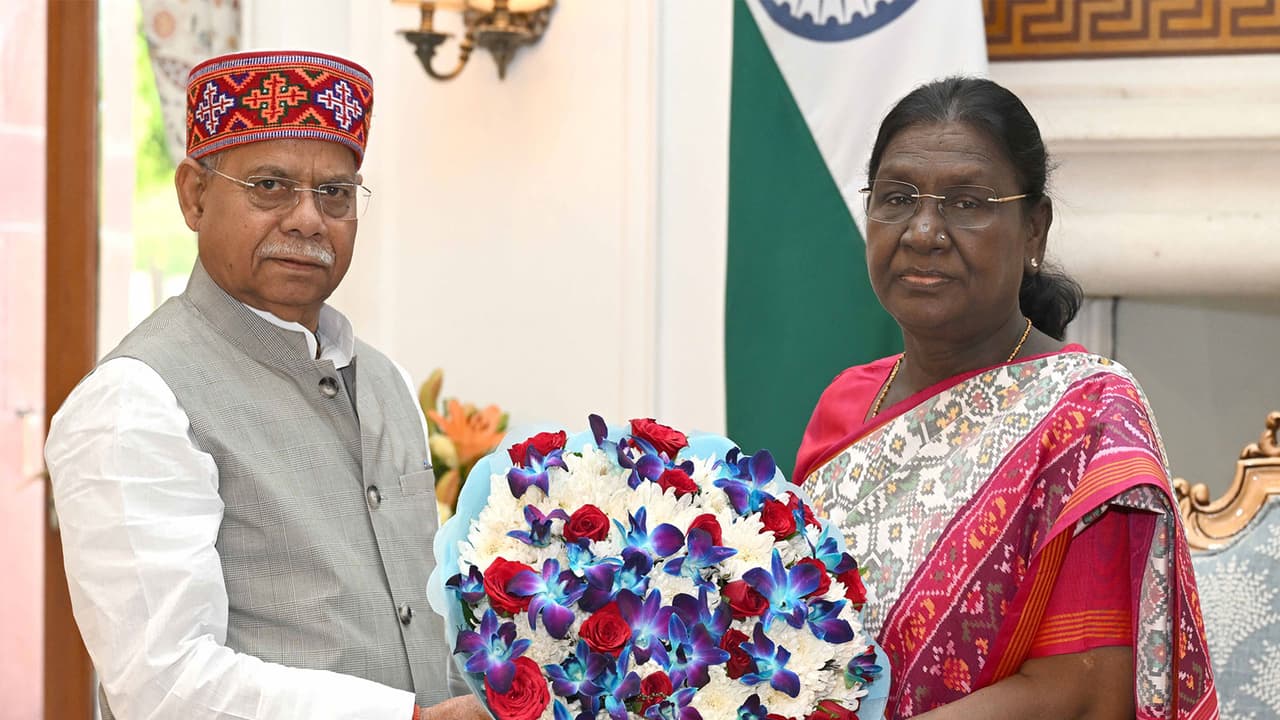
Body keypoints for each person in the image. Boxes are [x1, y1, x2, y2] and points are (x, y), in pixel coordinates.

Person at [45, 50, 484, 720]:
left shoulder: (388, 382)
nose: (308, 219)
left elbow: (421, 617)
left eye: (334, 193)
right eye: (270, 186)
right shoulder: (137, 400)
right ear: (194, 195)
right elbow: (163, 687)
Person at [794, 77, 1219, 720]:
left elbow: (1086, 693)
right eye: (897, 198)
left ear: (1034, 231)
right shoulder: (846, 404)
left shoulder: (1089, 416)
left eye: (968, 202)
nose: (924, 231)